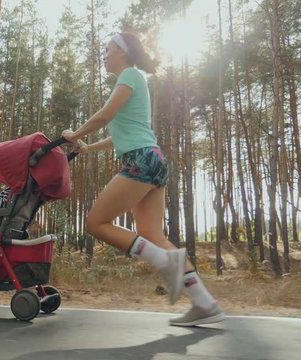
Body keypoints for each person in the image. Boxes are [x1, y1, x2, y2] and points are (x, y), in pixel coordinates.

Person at [61, 32, 225, 327]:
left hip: (141, 161)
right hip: (153, 160)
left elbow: (105, 114)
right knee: (153, 235)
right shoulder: (131, 79)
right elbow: (119, 134)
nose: (104, 54)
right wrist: (87, 147)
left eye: (108, 48)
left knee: (96, 223)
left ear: (122, 52)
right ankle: (203, 301)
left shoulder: (130, 75)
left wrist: (75, 134)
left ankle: (165, 263)